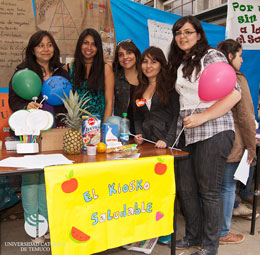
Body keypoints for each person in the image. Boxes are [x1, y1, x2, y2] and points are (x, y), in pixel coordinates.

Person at [168, 16, 241, 255]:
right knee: (187, 190)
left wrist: (203, 116)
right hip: (188, 134)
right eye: (178, 32)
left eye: (188, 32)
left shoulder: (212, 56)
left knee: (209, 191)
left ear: (199, 34)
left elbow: (235, 94)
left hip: (214, 130)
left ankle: (210, 245)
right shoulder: (181, 63)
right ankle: (193, 236)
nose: (182, 36)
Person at [8, 30, 69, 243]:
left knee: (49, 179)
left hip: (54, 134)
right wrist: (26, 106)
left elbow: (67, 101)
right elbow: (13, 101)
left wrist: (63, 125)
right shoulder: (22, 71)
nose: (45, 49)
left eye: (49, 44)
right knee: (31, 178)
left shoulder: (61, 71)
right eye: (41, 45)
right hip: (29, 134)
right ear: (33, 49)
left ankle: (48, 225)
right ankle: (34, 229)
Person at [217, 39, 256, 244]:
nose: (242, 60)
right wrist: (251, 147)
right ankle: (223, 232)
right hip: (233, 142)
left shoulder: (209, 74)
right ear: (230, 56)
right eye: (240, 56)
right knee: (227, 187)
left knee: (211, 188)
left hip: (211, 142)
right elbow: (246, 115)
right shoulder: (237, 78)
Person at [134, 46, 179, 149]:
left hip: (168, 146)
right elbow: (138, 117)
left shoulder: (170, 87)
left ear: (161, 65)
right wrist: (139, 134)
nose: (148, 66)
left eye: (153, 62)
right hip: (148, 145)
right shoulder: (139, 90)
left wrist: (167, 141)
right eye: (145, 62)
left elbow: (176, 116)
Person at [66, 28, 114, 122]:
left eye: (94, 44)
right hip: (75, 128)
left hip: (97, 126)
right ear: (80, 45)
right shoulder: (69, 68)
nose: (89, 47)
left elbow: (109, 103)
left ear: (98, 48)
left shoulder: (105, 69)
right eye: (85, 43)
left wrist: (104, 129)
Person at [113, 39, 141, 133]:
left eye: (129, 53)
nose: (125, 57)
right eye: (121, 55)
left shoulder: (146, 77)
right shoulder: (114, 78)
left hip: (144, 132)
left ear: (136, 54)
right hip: (122, 131)